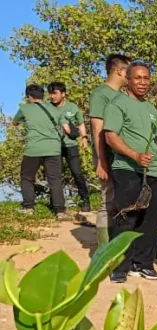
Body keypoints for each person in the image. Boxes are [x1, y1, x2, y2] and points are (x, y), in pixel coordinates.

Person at [104, 62, 157, 283]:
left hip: (154, 171)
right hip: (128, 169)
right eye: (138, 78)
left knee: (151, 220)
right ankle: (119, 266)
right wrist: (134, 156)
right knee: (126, 217)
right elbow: (111, 137)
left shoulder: (153, 110)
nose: (142, 82)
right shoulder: (117, 104)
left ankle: (143, 264)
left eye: (146, 78)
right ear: (128, 80)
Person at [88, 53, 131, 246]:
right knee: (108, 201)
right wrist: (101, 161)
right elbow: (97, 128)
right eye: (129, 71)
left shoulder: (122, 96)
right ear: (120, 70)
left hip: (123, 157)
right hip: (108, 156)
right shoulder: (101, 94)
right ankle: (103, 251)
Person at [12, 84, 69, 220]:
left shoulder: (24, 108)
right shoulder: (55, 109)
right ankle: (60, 211)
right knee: (55, 179)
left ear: (29, 97)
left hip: (34, 148)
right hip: (53, 148)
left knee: (26, 178)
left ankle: (28, 207)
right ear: (43, 96)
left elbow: (15, 123)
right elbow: (65, 128)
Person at [48, 82, 90, 212]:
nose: (52, 96)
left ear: (63, 93)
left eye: (55, 93)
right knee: (55, 175)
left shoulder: (72, 107)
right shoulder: (47, 107)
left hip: (71, 145)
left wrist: (84, 138)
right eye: (50, 93)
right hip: (55, 146)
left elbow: (80, 123)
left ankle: (85, 200)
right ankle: (55, 203)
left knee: (77, 173)